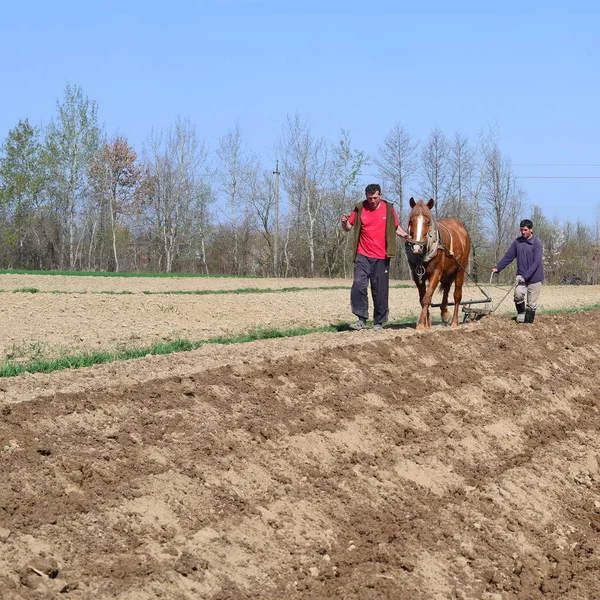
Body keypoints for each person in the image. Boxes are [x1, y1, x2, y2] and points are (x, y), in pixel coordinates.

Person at [341, 183, 409, 331]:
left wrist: (406, 236)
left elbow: (396, 228)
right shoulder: (359, 208)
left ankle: (379, 322)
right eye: (370, 198)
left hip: (382, 256)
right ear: (366, 196)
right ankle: (361, 320)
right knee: (358, 284)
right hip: (363, 254)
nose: (372, 201)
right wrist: (344, 223)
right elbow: (348, 228)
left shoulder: (389, 209)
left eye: (375, 198)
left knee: (380, 291)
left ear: (381, 195)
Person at [492, 219, 544, 323]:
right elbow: (509, 256)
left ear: (531, 229)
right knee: (518, 294)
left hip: (534, 277)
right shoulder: (517, 242)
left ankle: (528, 322)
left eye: (525, 230)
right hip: (521, 276)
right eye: (521, 230)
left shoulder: (537, 243)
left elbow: (536, 262)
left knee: (531, 303)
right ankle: (521, 313)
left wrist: (526, 276)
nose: (523, 232)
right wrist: (498, 268)